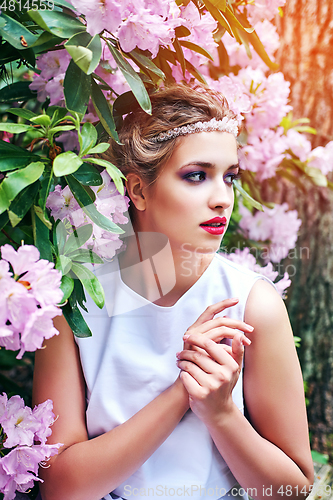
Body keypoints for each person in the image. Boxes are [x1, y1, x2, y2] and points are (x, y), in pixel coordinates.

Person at [33, 84, 314, 500]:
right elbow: (61, 489)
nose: (222, 198)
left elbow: (292, 490)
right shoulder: (74, 301)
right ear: (138, 190)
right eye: (197, 176)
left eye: (230, 177)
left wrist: (220, 412)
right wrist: (185, 391)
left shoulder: (255, 305)